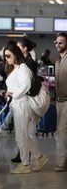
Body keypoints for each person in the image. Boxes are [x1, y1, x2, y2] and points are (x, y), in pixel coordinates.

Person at [3, 44, 48, 174]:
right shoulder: (15, 68)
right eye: (5, 56)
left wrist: (13, 94)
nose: (6, 59)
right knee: (26, 135)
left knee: (20, 136)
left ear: (16, 54)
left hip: (22, 105)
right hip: (17, 104)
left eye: (8, 56)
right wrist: (8, 93)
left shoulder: (23, 67)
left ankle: (25, 164)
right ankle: (39, 157)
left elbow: (26, 85)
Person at [54, 33, 67, 172]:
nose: (58, 45)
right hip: (59, 101)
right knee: (63, 131)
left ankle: (64, 161)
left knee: (63, 131)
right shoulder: (57, 62)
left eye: (61, 42)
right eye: (56, 42)